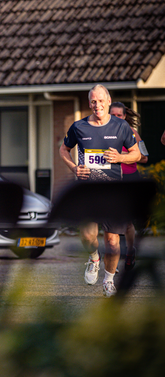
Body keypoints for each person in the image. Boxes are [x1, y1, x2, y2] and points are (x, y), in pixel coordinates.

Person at [59, 84, 141, 297]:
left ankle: (109, 279)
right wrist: (75, 168)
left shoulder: (121, 127)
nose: (97, 105)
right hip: (87, 190)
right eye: (93, 101)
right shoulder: (79, 127)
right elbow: (63, 149)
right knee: (88, 237)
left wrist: (121, 158)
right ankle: (94, 257)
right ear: (89, 103)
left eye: (101, 101)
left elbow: (137, 154)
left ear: (108, 100)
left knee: (113, 240)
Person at [109, 102, 148, 271]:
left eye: (120, 115)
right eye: (113, 115)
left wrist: (122, 156)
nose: (116, 118)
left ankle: (130, 251)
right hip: (111, 179)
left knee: (126, 223)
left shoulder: (133, 133)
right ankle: (112, 261)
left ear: (125, 117)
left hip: (130, 179)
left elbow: (145, 157)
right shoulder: (104, 133)